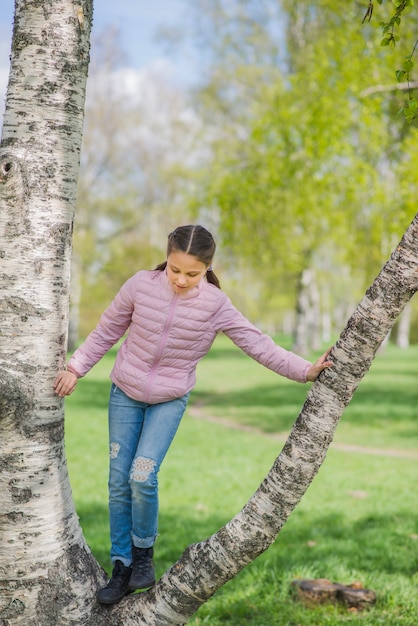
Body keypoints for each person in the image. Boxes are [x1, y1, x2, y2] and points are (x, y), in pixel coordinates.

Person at [54, 224, 332, 605]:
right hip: (125, 394)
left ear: (208, 268)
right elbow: (106, 330)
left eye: (192, 273)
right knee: (119, 480)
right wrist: (75, 368)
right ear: (165, 260)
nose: (181, 280)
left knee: (142, 475)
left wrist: (304, 370)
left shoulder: (215, 305)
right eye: (174, 270)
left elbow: (257, 342)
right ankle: (121, 567)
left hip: (169, 400)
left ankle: (142, 558)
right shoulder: (139, 285)